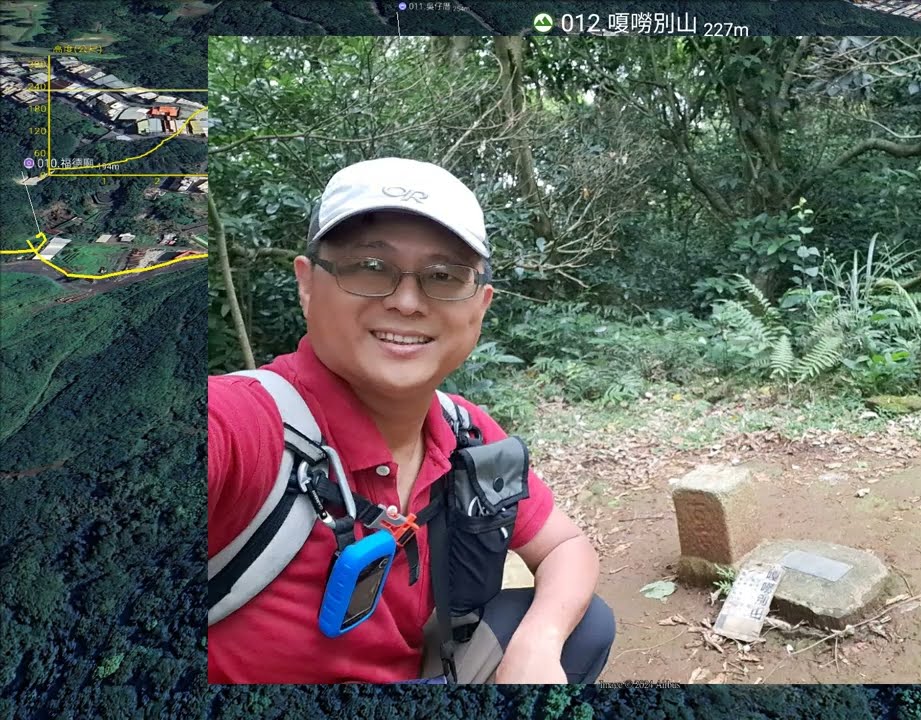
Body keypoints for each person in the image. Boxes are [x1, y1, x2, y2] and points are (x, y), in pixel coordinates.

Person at [207, 157, 615, 684]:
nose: (406, 301)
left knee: (586, 627)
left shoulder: (462, 431)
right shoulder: (250, 424)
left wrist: (537, 644)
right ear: (307, 285)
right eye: (370, 267)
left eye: (443, 276)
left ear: (481, 305)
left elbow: (566, 546)